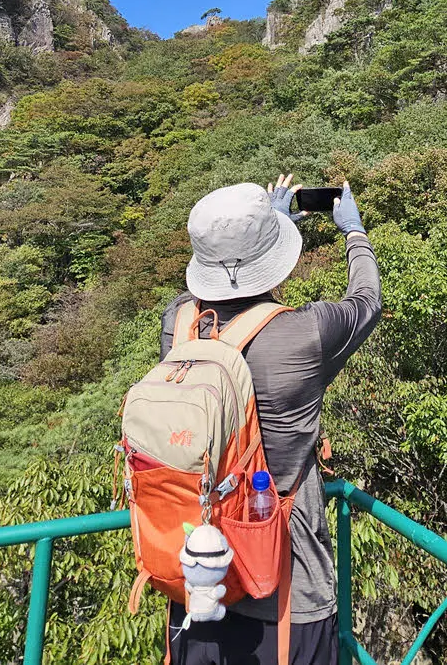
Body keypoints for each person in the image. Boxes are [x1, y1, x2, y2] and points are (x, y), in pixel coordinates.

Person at [162, 173, 381, 665]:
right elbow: (367, 301)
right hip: (282, 570)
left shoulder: (177, 321)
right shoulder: (307, 333)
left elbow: (220, 303)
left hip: (196, 565)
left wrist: (265, 230)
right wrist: (353, 231)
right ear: (275, 259)